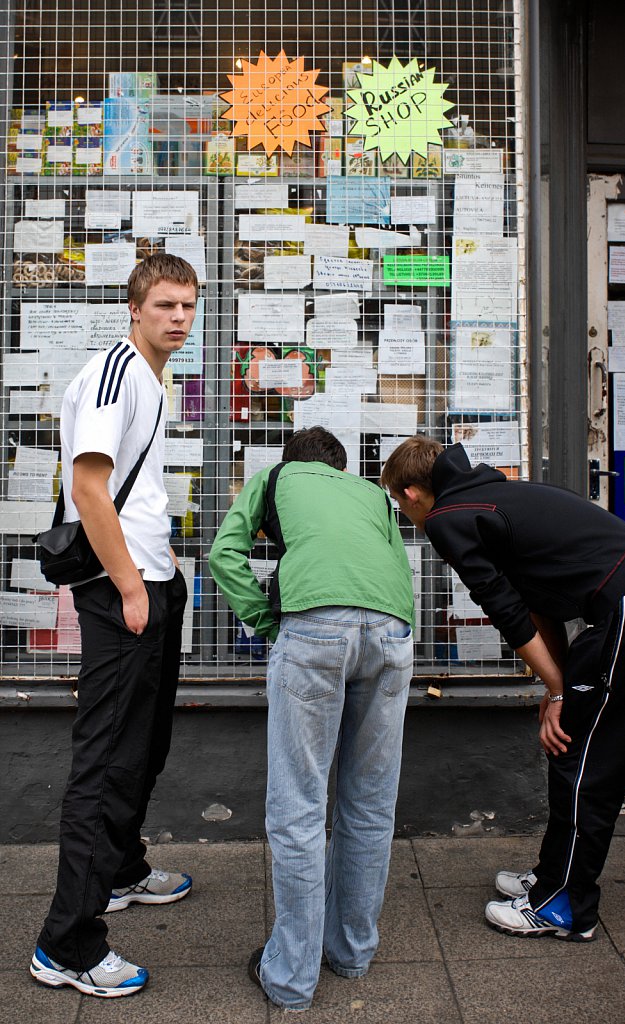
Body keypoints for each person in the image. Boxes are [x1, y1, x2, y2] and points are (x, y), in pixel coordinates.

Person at [381, 435, 625, 943]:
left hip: (623, 617)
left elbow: (507, 613)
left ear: (411, 493)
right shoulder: (494, 497)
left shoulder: (450, 517)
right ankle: (553, 876)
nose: (405, 517)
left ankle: (564, 906)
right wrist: (558, 685)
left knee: (585, 766)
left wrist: (561, 693)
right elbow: (540, 607)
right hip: (613, 615)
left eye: (399, 505)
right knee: (575, 754)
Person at [31, 254, 198, 997]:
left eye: (188, 306)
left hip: (152, 581)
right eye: (165, 305)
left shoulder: (151, 376)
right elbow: (88, 488)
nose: (179, 318)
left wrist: (159, 575)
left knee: (144, 743)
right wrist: (132, 587)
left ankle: (123, 868)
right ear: (134, 309)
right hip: (117, 593)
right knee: (103, 763)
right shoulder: (116, 372)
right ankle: (66, 944)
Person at [209, 427, 415, 1011]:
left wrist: (267, 621)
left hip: (314, 630)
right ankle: (351, 952)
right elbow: (398, 566)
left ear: (291, 463)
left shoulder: (274, 479)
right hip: (391, 634)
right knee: (370, 800)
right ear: (340, 466)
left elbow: (225, 555)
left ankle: (292, 979)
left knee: (298, 805)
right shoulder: (373, 494)